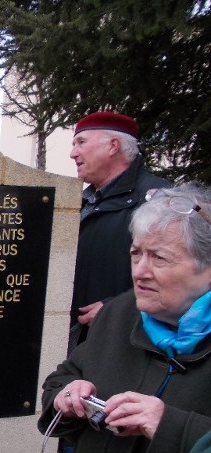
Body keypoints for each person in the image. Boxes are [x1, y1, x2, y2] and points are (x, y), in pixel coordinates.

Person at [37, 184, 211, 453]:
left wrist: (166, 426)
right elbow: (65, 375)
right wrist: (67, 394)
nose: (140, 271)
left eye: (159, 258)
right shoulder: (120, 312)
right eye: (136, 254)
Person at [69, 110, 171, 341]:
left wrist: (117, 310)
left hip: (127, 340)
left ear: (113, 146)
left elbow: (178, 277)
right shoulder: (79, 202)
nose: (73, 153)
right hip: (78, 338)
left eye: (81, 142)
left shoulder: (160, 201)